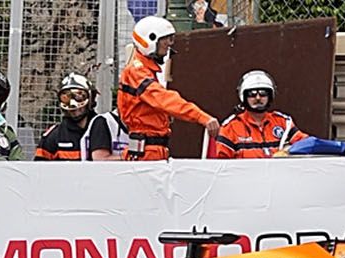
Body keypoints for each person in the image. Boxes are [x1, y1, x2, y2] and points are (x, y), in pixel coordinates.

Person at [117, 15, 219, 160]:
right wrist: (201, 117)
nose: (169, 44)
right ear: (150, 40)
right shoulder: (137, 72)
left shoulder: (143, 71)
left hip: (151, 150)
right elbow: (164, 99)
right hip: (146, 152)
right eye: (165, 39)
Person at [210, 70, 309, 159]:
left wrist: (287, 151)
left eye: (263, 93)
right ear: (243, 97)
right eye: (252, 94)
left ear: (270, 96)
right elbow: (221, 166)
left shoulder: (283, 123)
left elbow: (307, 145)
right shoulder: (230, 128)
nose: (258, 98)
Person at [36, 73, 95, 161]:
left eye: (79, 96)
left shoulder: (104, 130)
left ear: (90, 98)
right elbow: (38, 169)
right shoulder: (54, 136)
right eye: (65, 97)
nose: (73, 104)